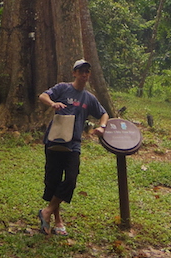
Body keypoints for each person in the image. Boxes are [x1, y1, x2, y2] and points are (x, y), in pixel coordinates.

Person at [38, 59, 109, 236]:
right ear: (74, 73)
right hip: (55, 141)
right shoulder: (63, 88)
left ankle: (46, 212)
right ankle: (57, 220)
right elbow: (43, 96)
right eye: (81, 71)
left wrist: (102, 127)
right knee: (53, 181)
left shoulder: (88, 98)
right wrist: (53, 103)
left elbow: (104, 114)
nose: (84, 74)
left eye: (87, 72)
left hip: (74, 144)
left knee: (70, 180)